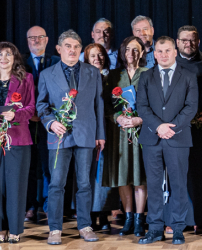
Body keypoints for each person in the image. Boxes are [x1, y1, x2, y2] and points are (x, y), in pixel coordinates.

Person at [36, 29, 105, 245]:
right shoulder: (47, 74)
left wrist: (100, 134)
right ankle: (55, 228)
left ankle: (85, 225)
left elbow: (99, 105)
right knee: (56, 184)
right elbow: (41, 105)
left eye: (76, 46)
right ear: (58, 49)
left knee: (84, 183)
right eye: (68, 46)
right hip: (59, 136)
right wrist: (50, 122)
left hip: (86, 134)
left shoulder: (92, 72)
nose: (72, 50)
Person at [136, 36, 198, 245]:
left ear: (175, 52)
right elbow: (142, 106)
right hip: (152, 138)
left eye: (167, 50)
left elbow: (191, 107)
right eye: (159, 51)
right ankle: (154, 228)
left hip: (178, 137)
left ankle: (178, 227)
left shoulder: (189, 76)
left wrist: (172, 127)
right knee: (153, 184)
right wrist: (158, 126)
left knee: (178, 184)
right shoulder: (145, 77)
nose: (163, 55)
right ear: (154, 54)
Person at [0, 42, 35, 243]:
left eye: (8, 54)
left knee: (16, 185)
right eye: (0, 54)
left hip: (18, 137)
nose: (4, 58)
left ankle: (15, 229)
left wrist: (15, 114)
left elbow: (30, 108)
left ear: (15, 58)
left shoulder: (26, 78)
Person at [165, 25, 202, 235]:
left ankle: (199, 218)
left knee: (199, 174)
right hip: (176, 127)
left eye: (192, 40)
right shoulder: (169, 63)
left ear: (199, 42)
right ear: (177, 42)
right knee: (176, 174)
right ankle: (175, 218)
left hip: (201, 126)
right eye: (184, 40)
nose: (188, 44)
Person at [102, 36, 148, 236]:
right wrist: (117, 118)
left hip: (140, 132)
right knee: (123, 177)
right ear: (122, 52)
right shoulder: (112, 76)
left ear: (143, 53)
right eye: (128, 49)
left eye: (136, 49)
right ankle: (128, 218)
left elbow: (154, 104)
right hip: (119, 134)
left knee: (139, 177)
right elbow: (105, 106)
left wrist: (139, 120)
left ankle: (139, 219)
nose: (132, 53)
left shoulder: (148, 74)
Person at [22, 25, 60, 222]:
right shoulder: (20, 63)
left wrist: (46, 114)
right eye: (31, 38)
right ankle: (29, 206)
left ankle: (47, 205)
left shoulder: (56, 62)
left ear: (46, 40)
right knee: (28, 167)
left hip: (49, 123)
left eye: (39, 37)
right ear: (27, 41)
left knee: (48, 167)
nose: (35, 41)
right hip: (26, 124)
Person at [83, 42, 118, 231]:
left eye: (101, 55)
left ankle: (104, 214)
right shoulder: (83, 77)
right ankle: (89, 215)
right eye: (93, 56)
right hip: (89, 131)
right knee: (88, 174)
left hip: (109, 130)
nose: (98, 59)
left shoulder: (111, 77)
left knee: (104, 173)